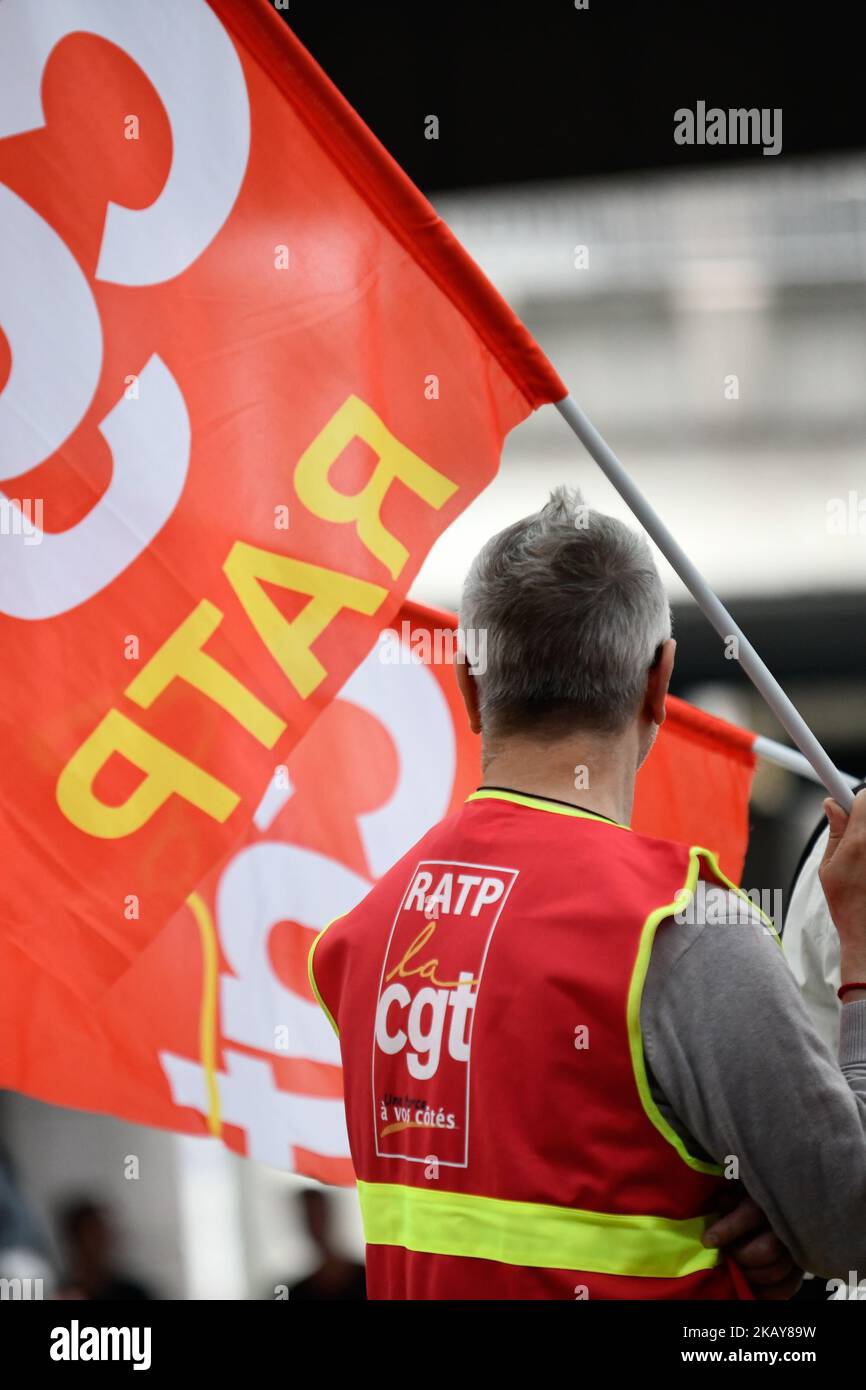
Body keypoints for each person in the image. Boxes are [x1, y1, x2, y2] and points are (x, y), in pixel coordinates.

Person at [309, 488, 866, 1300]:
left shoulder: (362, 939)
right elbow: (849, 1228)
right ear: (658, 683)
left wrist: (777, 1203)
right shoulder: (687, 933)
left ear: (468, 681)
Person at [56, 1198, 153, 1301]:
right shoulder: (61, 1295)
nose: (101, 1243)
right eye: (92, 1236)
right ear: (75, 1242)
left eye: (101, 1234)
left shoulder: (133, 1294)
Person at [285, 1188, 366, 1301]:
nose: (316, 1225)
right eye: (311, 1218)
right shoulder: (297, 1292)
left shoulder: (368, 1279)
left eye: (318, 1215)